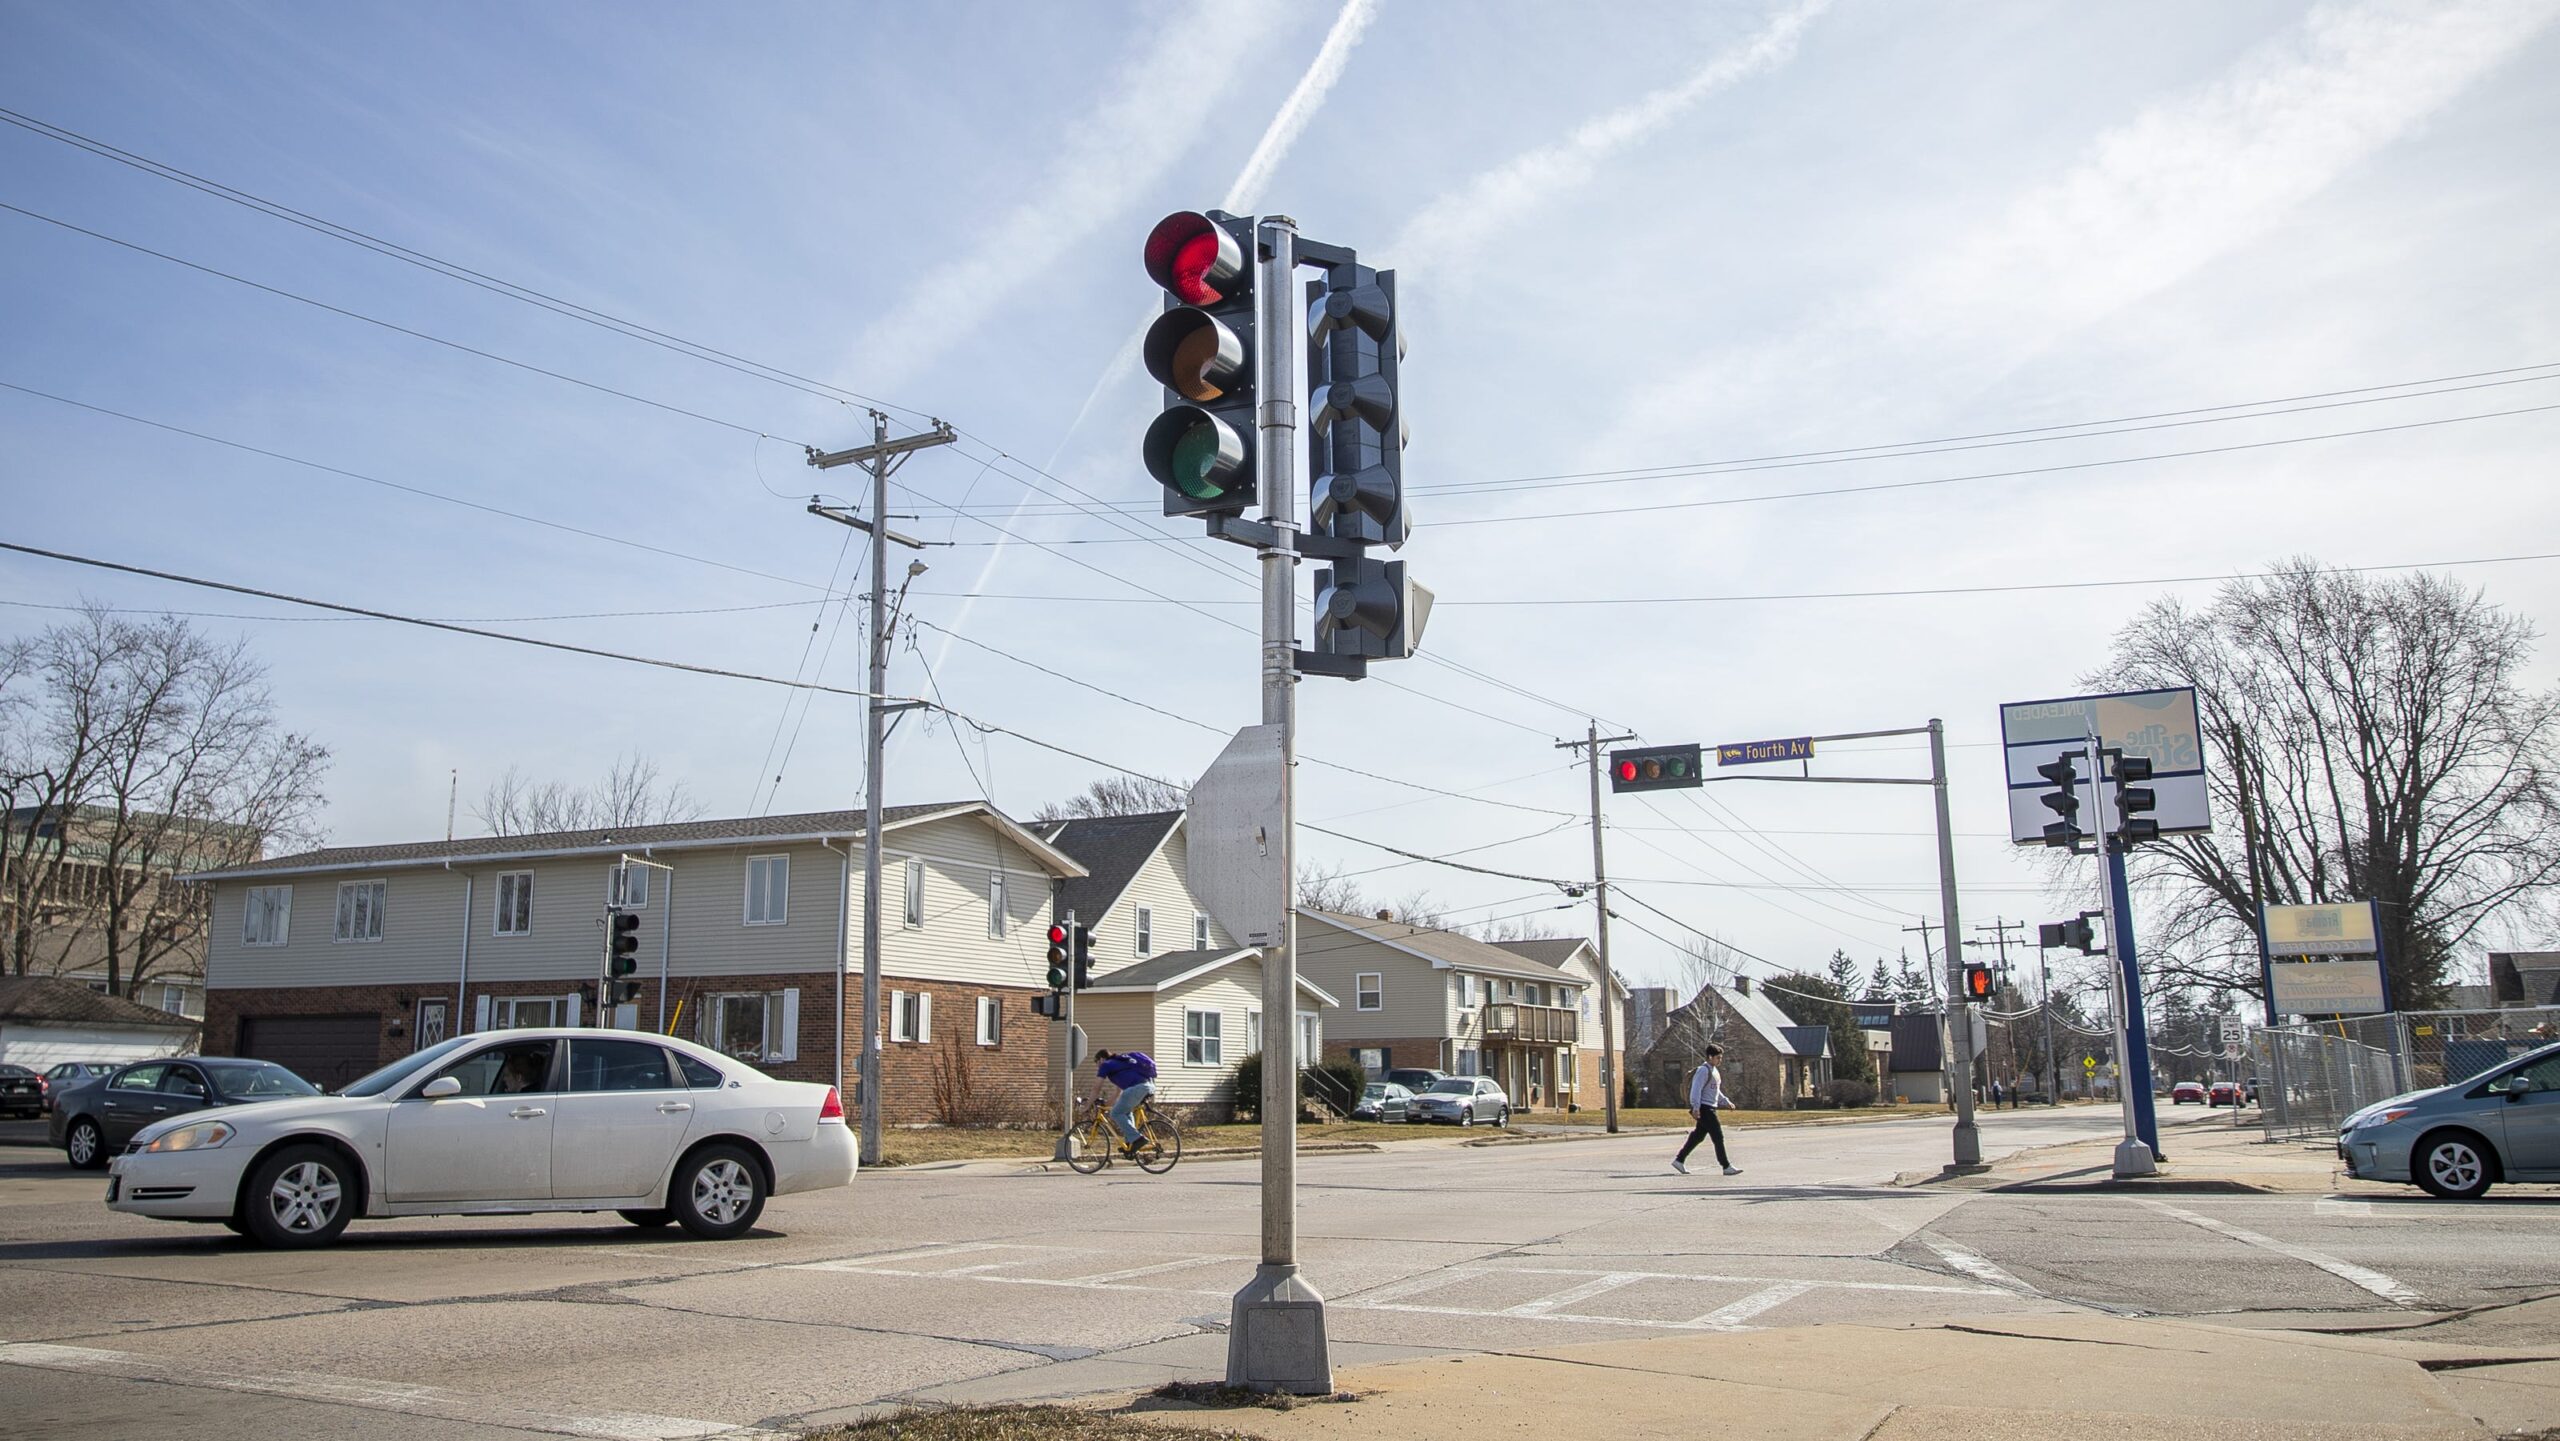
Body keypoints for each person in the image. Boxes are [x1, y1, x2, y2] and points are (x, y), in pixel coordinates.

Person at [1671, 1044, 1741, 1177]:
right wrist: (1696, 1107)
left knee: (1698, 1136)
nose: (1720, 1060)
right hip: (1705, 1108)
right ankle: (1726, 1166)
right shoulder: (1703, 1070)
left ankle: (1679, 1160)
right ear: (1710, 1057)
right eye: (1718, 1058)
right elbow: (1695, 1090)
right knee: (1718, 1136)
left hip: (1710, 1107)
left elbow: (1715, 1091)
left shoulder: (1714, 1071)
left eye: (1721, 1058)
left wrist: (1726, 1101)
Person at [1095, 1049, 1158, 1155]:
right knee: (1125, 1111)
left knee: (1116, 1113)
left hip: (1138, 1088)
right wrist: (1106, 1105)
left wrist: (1086, 1106)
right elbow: (1117, 1092)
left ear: (1101, 1059)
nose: (1097, 1066)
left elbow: (1096, 1088)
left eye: (1096, 1062)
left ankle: (1137, 1138)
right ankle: (1131, 1144)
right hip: (1149, 1086)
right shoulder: (1119, 1064)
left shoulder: (1106, 1065)